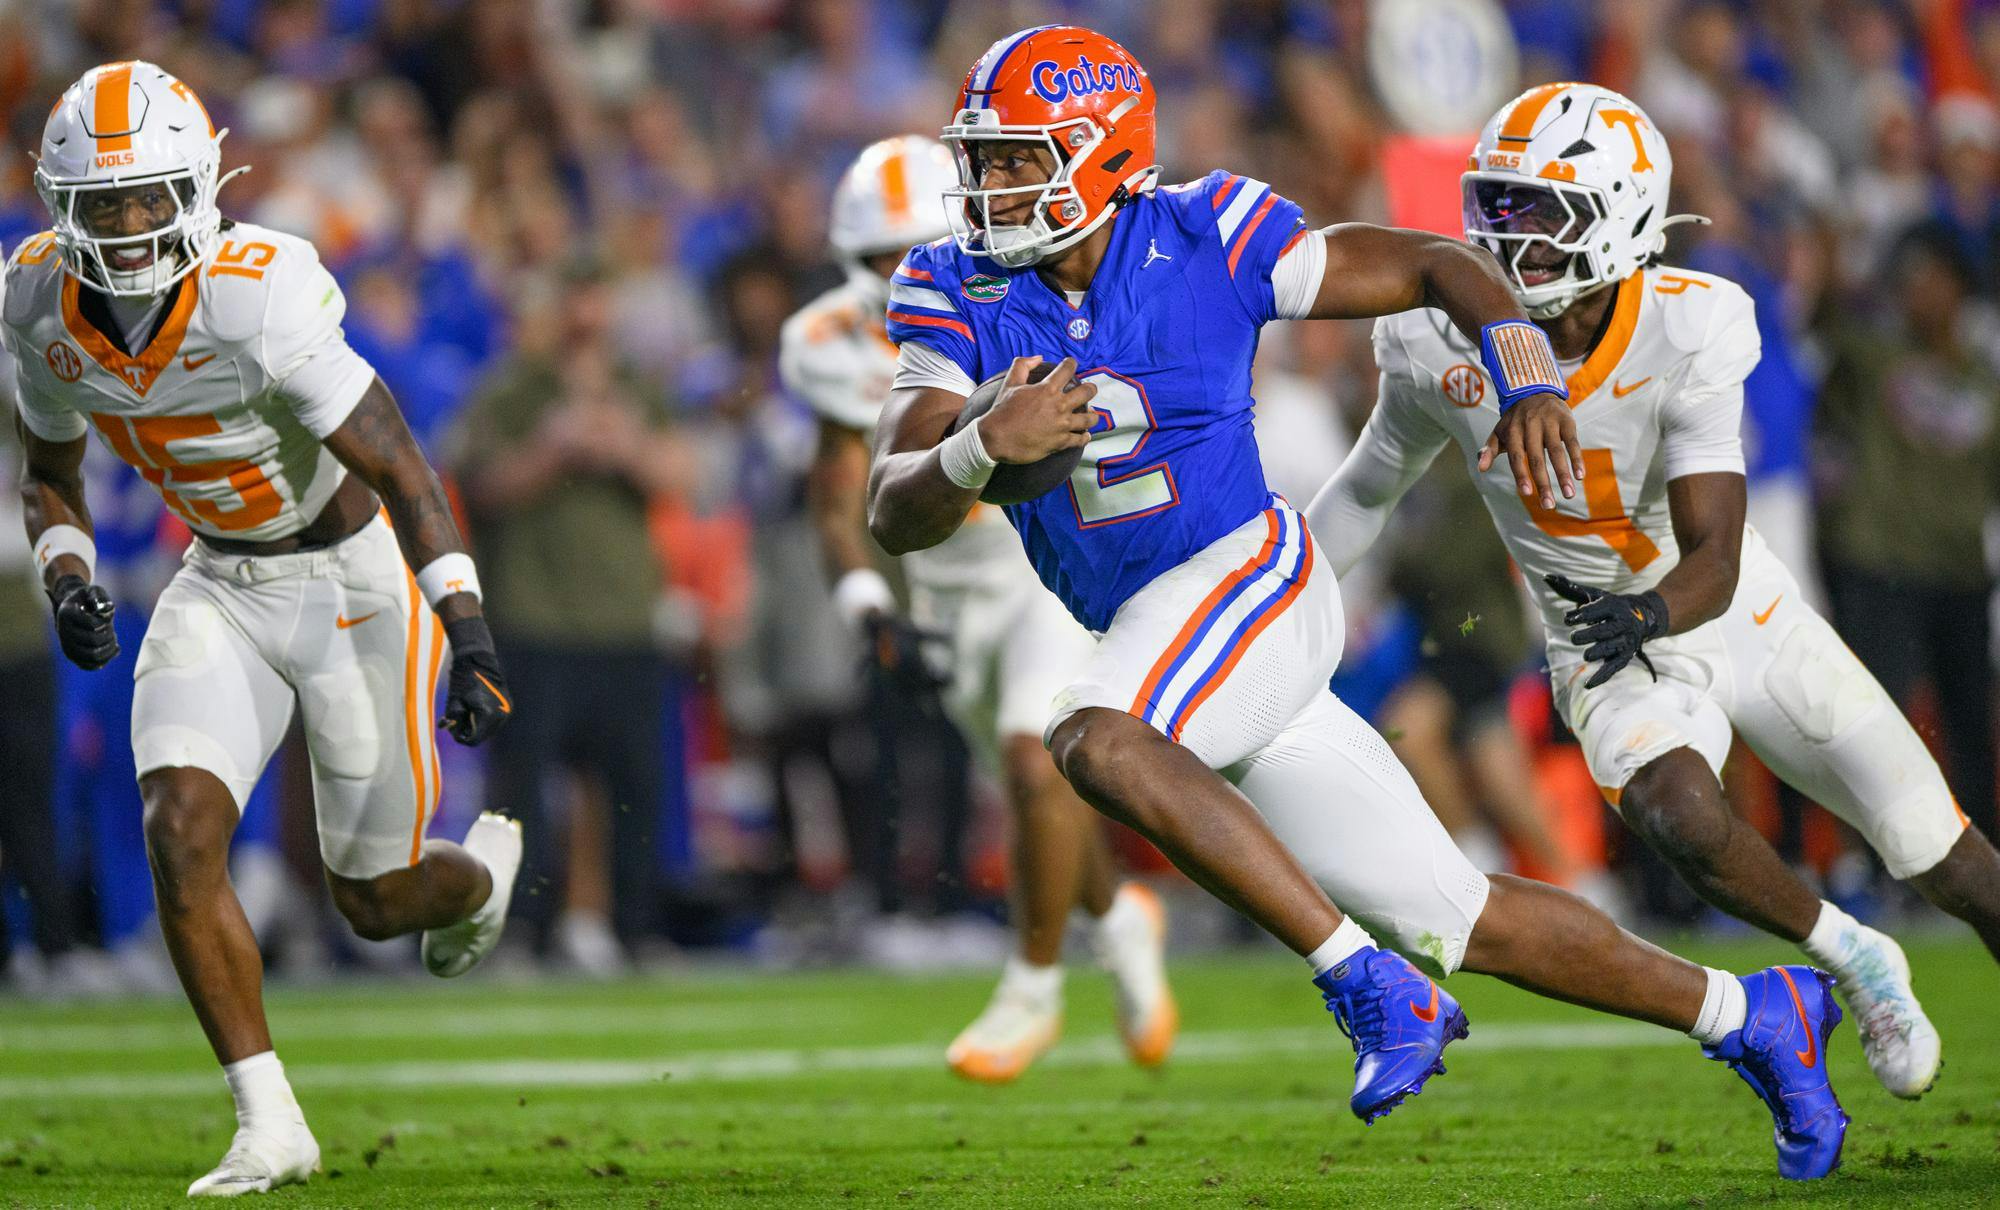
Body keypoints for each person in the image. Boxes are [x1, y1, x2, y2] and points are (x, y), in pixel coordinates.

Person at [868, 28, 1844, 1179]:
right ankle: (1754, 1013)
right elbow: (893, 505)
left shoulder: (1203, 233)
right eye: (982, 158)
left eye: (1017, 158)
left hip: (1245, 576)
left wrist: (1524, 370)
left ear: (1102, 151)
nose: (988, 184)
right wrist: (978, 448)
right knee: (1460, 917)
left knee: (1091, 735)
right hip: (1163, 628)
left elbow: (1435, 265)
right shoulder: (949, 283)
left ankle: (1364, 984)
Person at [1307, 83, 2000, 1105]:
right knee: (1676, 811)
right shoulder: (1433, 338)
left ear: (1619, 216)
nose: (1506, 235)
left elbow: (1714, 552)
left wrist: (1650, 611)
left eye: (1537, 210)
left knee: (1943, 854)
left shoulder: (1687, 323)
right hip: (1598, 643)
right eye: (1495, 204)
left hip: (1731, 611)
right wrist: (1275, 599)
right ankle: (1849, 952)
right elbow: (1369, 487)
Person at [4, 63, 522, 1196]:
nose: (128, 227)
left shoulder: (258, 292)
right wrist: (68, 574)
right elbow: (50, 473)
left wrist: (468, 629)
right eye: (104, 203)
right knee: (179, 826)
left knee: (372, 899)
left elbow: (400, 464)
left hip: (349, 584)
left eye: (149, 198)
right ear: (61, 205)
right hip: (217, 582)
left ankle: (477, 885)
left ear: (198, 186)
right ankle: (270, 1121)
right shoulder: (37, 298)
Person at [782, 134, 1175, 1083]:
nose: (899, 270)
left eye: (911, 245)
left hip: (1046, 557)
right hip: (947, 584)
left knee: (1034, 759)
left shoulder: (1026, 292)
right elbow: (838, 492)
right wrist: (869, 608)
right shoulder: (828, 341)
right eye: (879, 255)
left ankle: (1031, 986)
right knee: (1037, 789)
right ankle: (1117, 920)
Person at [1816, 221, 2000, 845]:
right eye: (1907, 279)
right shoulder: (1875, 355)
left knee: (1968, 725)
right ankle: (1866, 859)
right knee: (1876, 722)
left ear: (1959, 288)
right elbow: (1826, 317)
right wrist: (1830, 258)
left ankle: (1980, 854)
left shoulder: (1987, 383)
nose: (1914, 291)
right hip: (1881, 568)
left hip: (1961, 573)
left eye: (1929, 278)